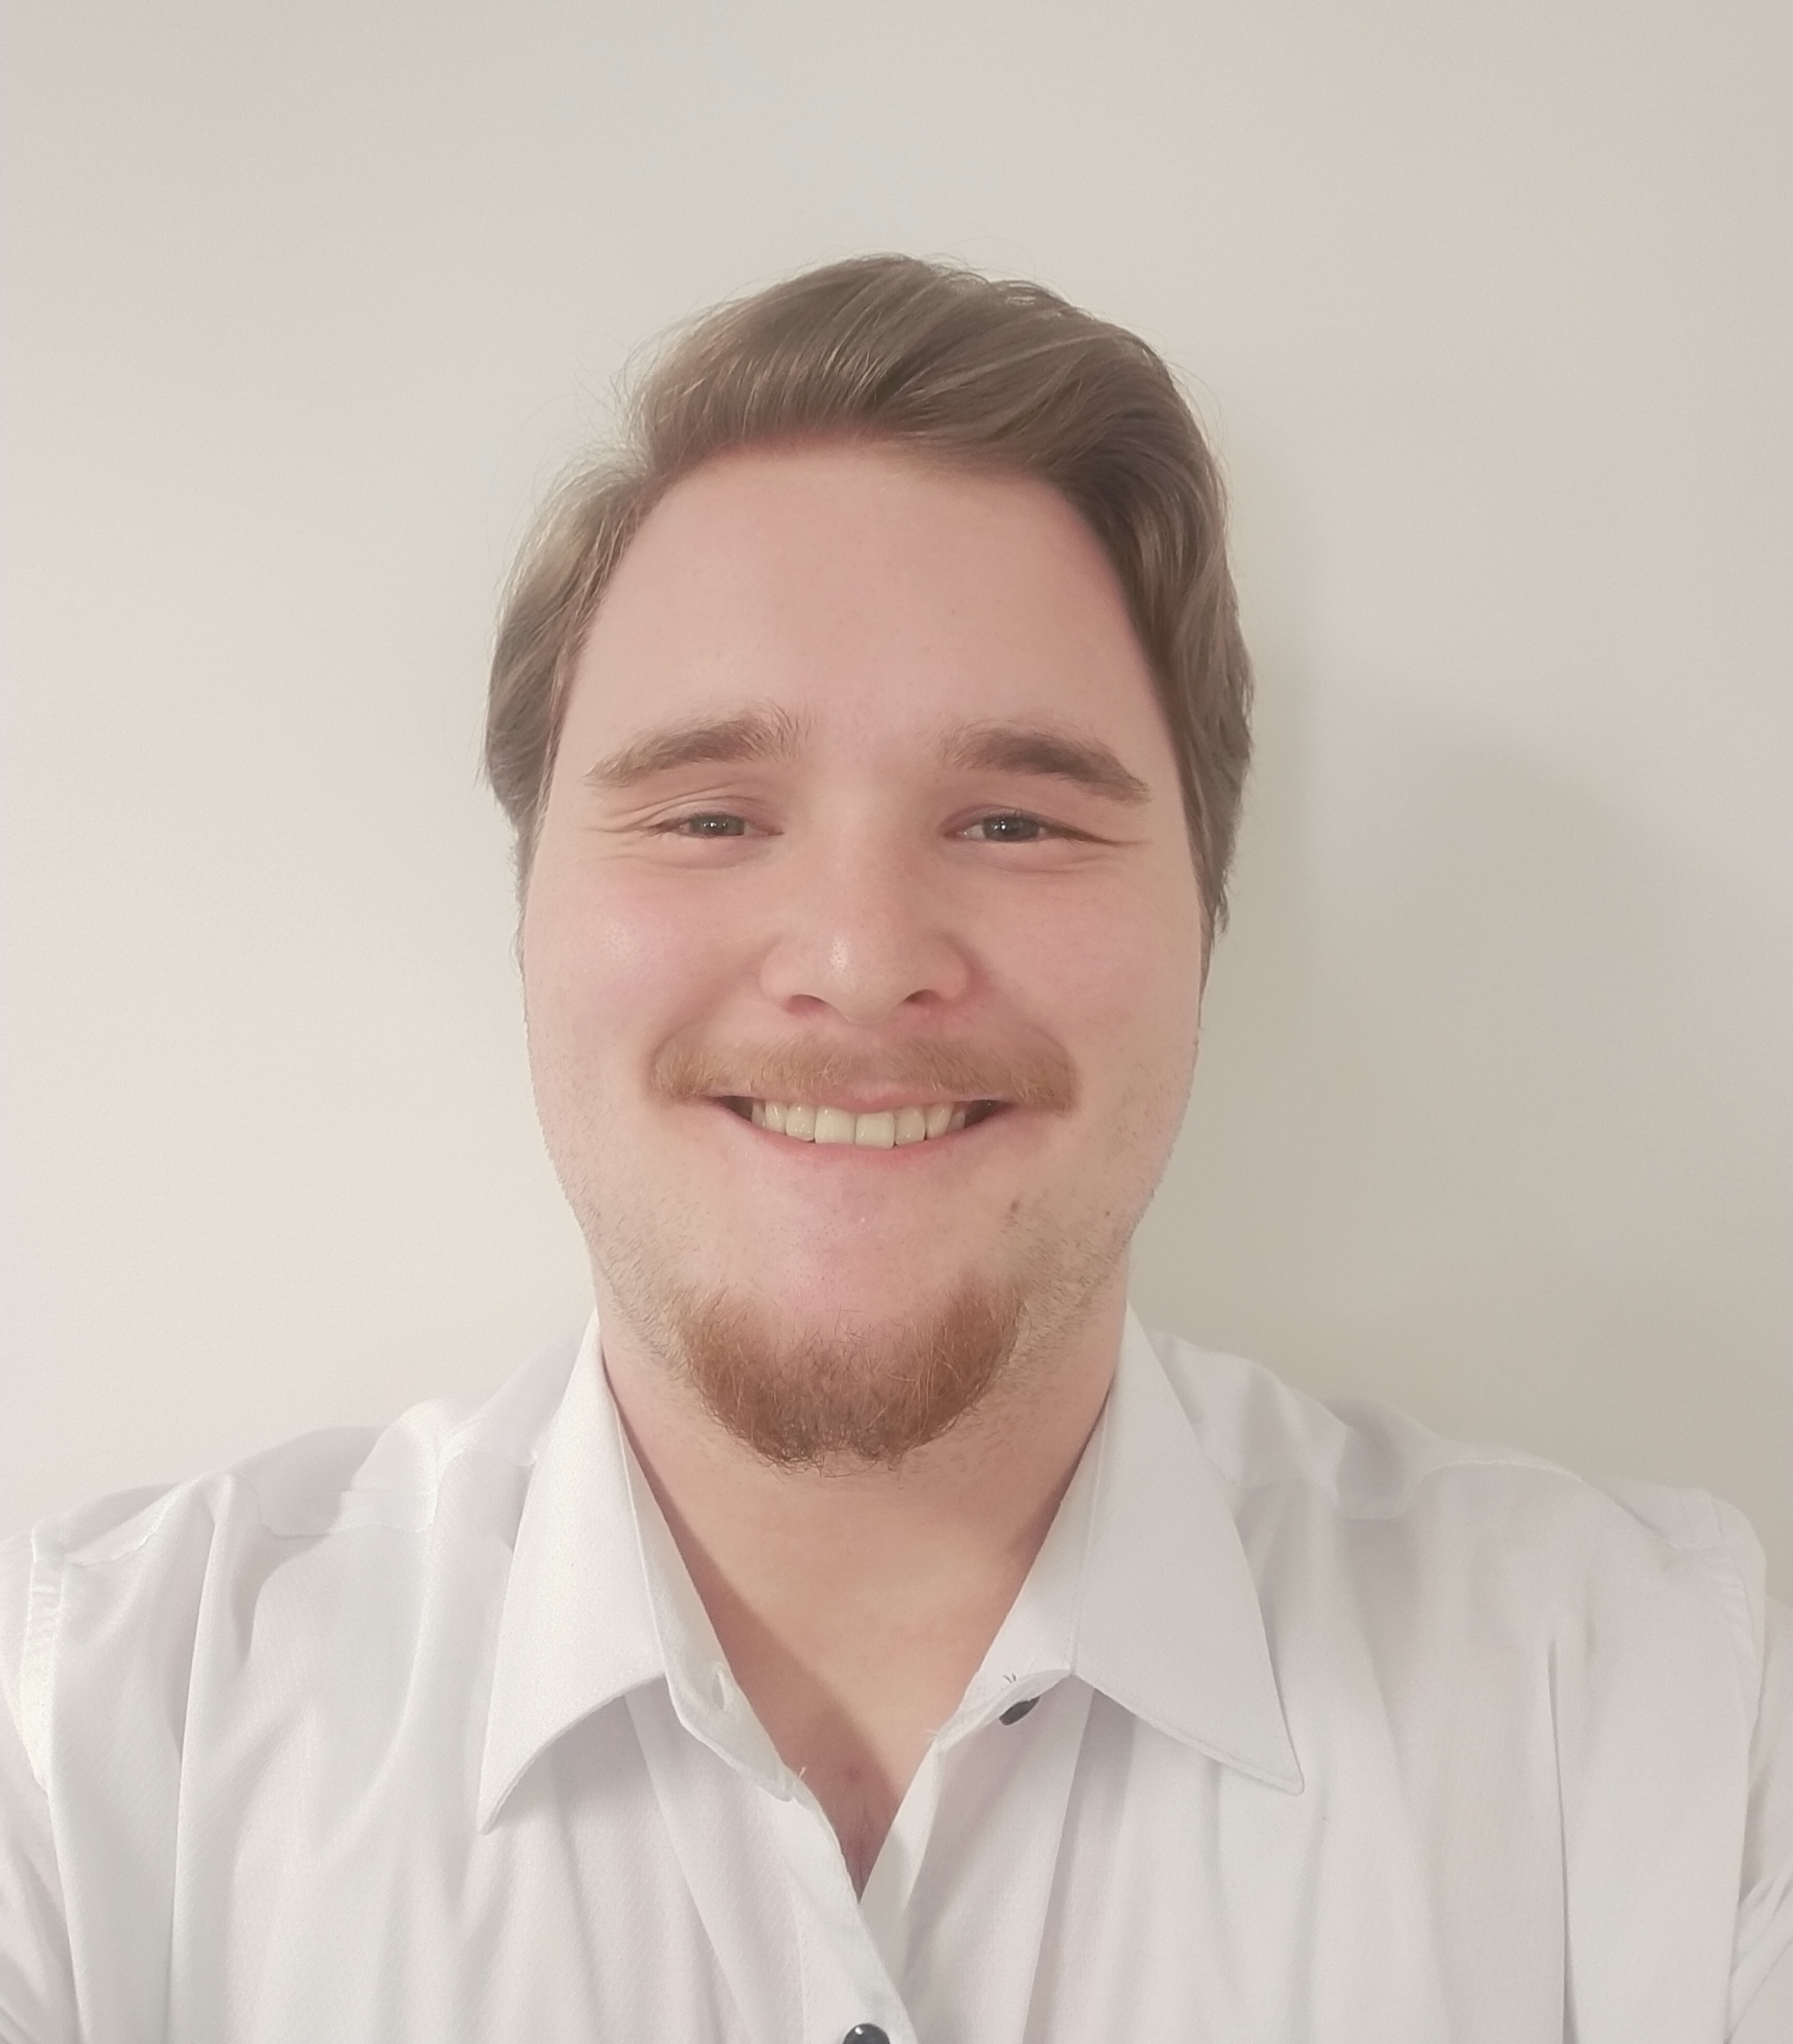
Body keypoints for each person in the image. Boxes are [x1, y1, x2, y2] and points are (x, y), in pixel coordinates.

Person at [1, 255, 1787, 2042]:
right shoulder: (91, 1738)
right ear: (529, 917)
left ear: (1206, 921)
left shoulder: (1661, 1724)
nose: (859, 961)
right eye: (711, 817)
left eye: (1015, 822)